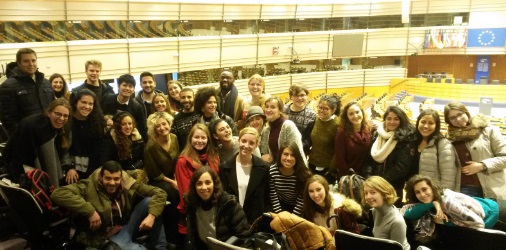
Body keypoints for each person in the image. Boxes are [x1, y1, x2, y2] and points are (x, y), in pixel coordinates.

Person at [51, 161, 167, 250]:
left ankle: (160, 247)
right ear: (101, 177)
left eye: (116, 179)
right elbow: (58, 194)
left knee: (151, 201)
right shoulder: (89, 186)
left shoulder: (127, 183)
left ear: (121, 178)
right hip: (107, 236)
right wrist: (90, 211)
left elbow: (160, 193)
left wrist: (151, 216)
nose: (112, 183)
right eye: (108, 178)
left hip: (126, 225)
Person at [444, 101, 506, 221]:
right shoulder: (449, 138)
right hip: (465, 189)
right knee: (471, 226)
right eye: (452, 118)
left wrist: (482, 165)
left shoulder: (487, 130)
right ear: (448, 122)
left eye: (460, 114)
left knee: (497, 223)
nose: (458, 119)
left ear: (466, 112)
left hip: (491, 187)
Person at [402, 175, 498, 239]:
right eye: (417, 192)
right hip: (470, 206)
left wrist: (444, 223)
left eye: (424, 189)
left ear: (432, 188)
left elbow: (478, 225)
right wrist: (433, 203)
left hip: (489, 212)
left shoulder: (448, 203)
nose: (422, 194)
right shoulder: (430, 201)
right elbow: (407, 214)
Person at [4, 98, 71, 186]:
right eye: (58, 114)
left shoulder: (61, 128)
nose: (62, 118)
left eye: (65, 116)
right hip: (22, 168)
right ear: (49, 113)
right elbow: (18, 153)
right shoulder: (37, 127)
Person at [185, 166, 251, 249]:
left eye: (208, 182)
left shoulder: (229, 204)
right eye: (199, 183)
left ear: (215, 184)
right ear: (194, 186)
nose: (204, 187)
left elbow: (244, 236)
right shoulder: (192, 204)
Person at [175, 123, 220, 236]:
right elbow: (186, 192)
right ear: (190, 139)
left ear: (208, 139)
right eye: (196, 137)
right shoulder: (183, 161)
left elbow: (217, 183)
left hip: (213, 206)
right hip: (194, 208)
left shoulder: (214, 157)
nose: (200, 140)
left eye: (203, 137)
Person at [219, 127, 270, 224]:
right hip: (232, 219)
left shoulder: (264, 168)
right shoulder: (224, 168)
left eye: (251, 143)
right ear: (238, 141)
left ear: (256, 145)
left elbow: (267, 198)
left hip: (255, 221)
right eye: (244, 141)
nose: (246, 146)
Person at [144, 111, 180, 247]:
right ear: (154, 129)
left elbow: (178, 161)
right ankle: (171, 236)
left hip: (174, 176)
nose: (162, 128)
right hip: (159, 180)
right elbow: (154, 173)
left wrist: (177, 178)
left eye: (164, 124)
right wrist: (172, 182)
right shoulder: (150, 147)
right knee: (172, 192)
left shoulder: (174, 138)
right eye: (157, 126)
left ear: (169, 124)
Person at [0, 48, 54, 137]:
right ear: (19, 63)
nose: (31, 64)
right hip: (26, 140)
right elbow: (8, 119)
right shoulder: (8, 86)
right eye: (26, 61)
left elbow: (52, 109)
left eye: (33, 60)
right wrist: (23, 137)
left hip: (48, 135)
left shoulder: (46, 83)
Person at [369, 105, 416, 207]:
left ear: (401, 120)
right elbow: (369, 159)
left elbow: (402, 167)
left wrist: (380, 182)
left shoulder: (406, 138)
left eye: (396, 119)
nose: (392, 122)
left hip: (393, 186)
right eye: (389, 118)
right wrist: (369, 178)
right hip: (374, 185)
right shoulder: (377, 134)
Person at [66, 89, 105, 184]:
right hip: (71, 171)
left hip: (93, 169)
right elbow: (62, 149)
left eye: (90, 104)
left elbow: (99, 149)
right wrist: (69, 168)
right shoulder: (66, 121)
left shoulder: (97, 122)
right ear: (75, 102)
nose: (87, 107)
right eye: (83, 102)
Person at [362, 176, 410, 250]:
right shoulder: (375, 211)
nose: (368, 197)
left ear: (384, 194)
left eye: (373, 192)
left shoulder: (397, 221)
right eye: (366, 193)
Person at [414, 109, 457, 190]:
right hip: (416, 192)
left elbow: (448, 176)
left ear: (436, 126)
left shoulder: (443, 144)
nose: (426, 126)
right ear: (418, 123)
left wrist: (443, 196)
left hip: (434, 193)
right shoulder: (413, 142)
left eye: (431, 123)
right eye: (423, 122)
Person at [302, 94, 340, 184]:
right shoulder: (315, 120)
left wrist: (331, 169)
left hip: (328, 169)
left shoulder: (337, 125)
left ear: (333, 110)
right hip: (312, 164)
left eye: (325, 108)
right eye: (320, 107)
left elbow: (338, 150)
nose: (321, 110)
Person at [269, 142, 312, 216]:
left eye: (293, 155)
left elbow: (302, 200)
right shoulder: (272, 171)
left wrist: (292, 218)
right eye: (285, 154)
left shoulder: (304, 174)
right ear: (280, 155)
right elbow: (273, 195)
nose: (288, 158)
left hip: (299, 208)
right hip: (280, 206)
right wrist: (280, 215)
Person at [260, 96, 306, 165]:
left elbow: (297, 151)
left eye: (273, 107)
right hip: (276, 169)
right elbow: (264, 152)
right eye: (267, 107)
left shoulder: (288, 126)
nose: (268, 110)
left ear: (280, 110)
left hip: (292, 168)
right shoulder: (266, 129)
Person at [101, 74, 148, 140]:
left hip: (128, 141)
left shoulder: (137, 107)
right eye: (124, 85)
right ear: (118, 86)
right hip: (108, 139)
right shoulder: (107, 99)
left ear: (133, 89)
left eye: (130, 86)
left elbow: (142, 130)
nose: (127, 88)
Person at [335, 101, 373, 179]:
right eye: (351, 114)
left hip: (366, 174)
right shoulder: (342, 132)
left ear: (362, 112)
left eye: (357, 112)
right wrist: (349, 177)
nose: (355, 116)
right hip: (349, 176)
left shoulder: (368, 128)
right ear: (347, 117)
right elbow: (340, 159)